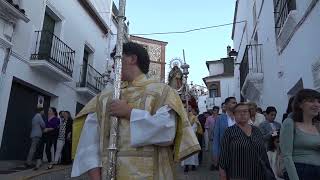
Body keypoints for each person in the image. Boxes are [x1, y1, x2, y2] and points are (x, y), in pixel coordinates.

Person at [71, 42, 200, 180]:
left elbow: (166, 132)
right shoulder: (103, 98)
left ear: (132, 59)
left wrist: (129, 113)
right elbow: (90, 144)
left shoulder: (162, 92)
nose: (113, 66)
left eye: (117, 59)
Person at [219, 103, 275, 180]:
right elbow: (223, 157)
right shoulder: (229, 132)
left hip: (259, 175)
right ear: (234, 115)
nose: (242, 114)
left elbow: (264, 155)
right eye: (238, 112)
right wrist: (223, 176)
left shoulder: (257, 131)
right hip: (237, 175)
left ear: (249, 114)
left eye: (245, 111)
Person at [280, 89, 320, 180]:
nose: (317, 104)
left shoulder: (318, 125)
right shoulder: (290, 123)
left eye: (319, 101)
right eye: (311, 101)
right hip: (300, 170)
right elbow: (286, 155)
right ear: (300, 104)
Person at [212, 97, 237, 168]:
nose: (235, 104)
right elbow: (216, 138)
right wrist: (215, 154)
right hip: (225, 152)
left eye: (236, 103)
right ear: (226, 105)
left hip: (239, 151)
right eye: (233, 102)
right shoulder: (220, 119)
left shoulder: (239, 117)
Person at [182, 107, 202, 172]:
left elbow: (195, 127)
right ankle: (186, 166)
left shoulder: (194, 117)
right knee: (186, 152)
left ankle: (193, 165)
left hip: (192, 137)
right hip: (185, 138)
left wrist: (189, 131)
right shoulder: (183, 117)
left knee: (193, 152)